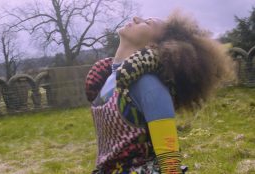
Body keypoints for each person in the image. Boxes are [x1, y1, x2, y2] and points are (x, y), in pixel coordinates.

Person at [85, 11, 234, 174]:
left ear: (154, 45)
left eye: (148, 22)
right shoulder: (107, 78)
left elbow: (169, 161)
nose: (136, 18)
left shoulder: (147, 84)